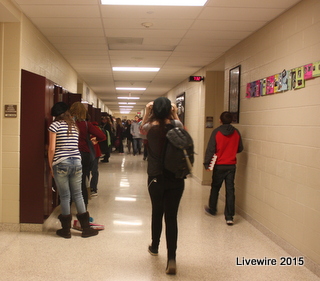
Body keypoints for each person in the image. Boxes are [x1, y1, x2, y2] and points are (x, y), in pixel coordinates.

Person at [140, 97, 184, 275]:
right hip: (175, 177)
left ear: (154, 111)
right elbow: (181, 128)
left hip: (155, 177)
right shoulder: (176, 125)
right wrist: (174, 112)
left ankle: (155, 246)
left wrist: (147, 111)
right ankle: (171, 258)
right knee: (171, 217)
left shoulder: (150, 127)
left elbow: (141, 129)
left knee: (157, 212)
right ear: (169, 110)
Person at [48, 102, 98, 238]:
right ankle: (86, 229)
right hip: (76, 161)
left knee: (65, 196)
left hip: (61, 162)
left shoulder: (55, 125)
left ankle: (66, 230)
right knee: (78, 194)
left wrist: (51, 165)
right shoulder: (74, 126)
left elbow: (52, 148)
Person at [203, 111, 244, 226]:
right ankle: (229, 217)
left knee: (215, 187)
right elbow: (240, 148)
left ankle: (212, 209)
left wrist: (207, 163)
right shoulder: (236, 132)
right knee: (230, 190)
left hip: (219, 165)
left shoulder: (216, 132)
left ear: (220, 120)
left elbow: (211, 149)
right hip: (231, 165)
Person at [69, 102, 106, 207]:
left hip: (70, 154)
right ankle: (83, 206)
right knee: (82, 181)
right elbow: (102, 136)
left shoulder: (67, 124)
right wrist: (95, 139)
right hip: (83, 154)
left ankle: (68, 205)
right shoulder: (86, 124)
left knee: (68, 181)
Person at [90, 121, 102, 196]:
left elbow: (102, 136)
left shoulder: (95, 128)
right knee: (93, 170)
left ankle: (93, 188)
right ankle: (91, 188)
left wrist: (96, 139)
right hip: (93, 152)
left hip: (93, 152)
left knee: (94, 170)